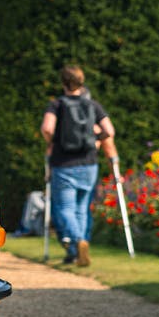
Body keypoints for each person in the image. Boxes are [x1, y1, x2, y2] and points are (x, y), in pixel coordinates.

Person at [40, 65, 115, 266]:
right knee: (82, 209)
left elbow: (47, 128)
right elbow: (109, 130)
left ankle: (77, 241)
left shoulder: (57, 105)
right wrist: (95, 141)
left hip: (64, 163)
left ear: (63, 83)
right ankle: (78, 250)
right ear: (81, 82)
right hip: (89, 163)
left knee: (65, 208)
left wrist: (53, 142)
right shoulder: (93, 105)